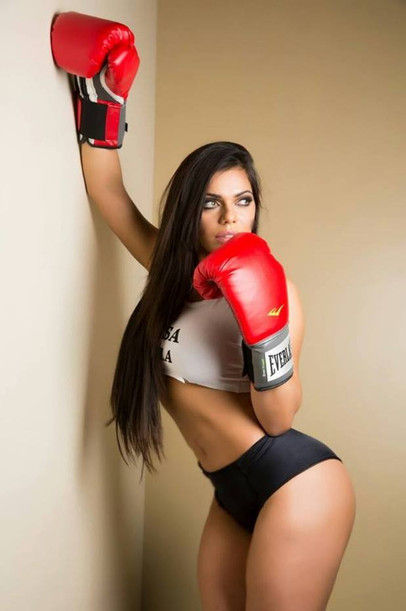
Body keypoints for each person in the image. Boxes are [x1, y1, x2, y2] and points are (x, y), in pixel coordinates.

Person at [51, 11, 356, 611]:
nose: (230, 218)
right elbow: (107, 191)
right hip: (228, 490)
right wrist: (105, 93)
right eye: (212, 203)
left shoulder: (277, 290)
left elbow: (278, 419)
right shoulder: (173, 272)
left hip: (296, 481)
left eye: (243, 201)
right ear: (190, 211)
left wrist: (261, 327)